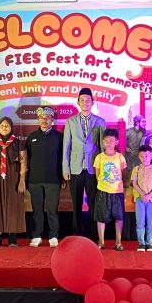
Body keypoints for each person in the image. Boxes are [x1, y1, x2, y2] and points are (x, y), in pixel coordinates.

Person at [62, 87, 106, 238]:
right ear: (78, 102)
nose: (85, 102)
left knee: (93, 203)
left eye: (88, 100)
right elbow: (66, 147)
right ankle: (77, 234)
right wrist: (65, 168)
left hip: (93, 168)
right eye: (82, 100)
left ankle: (93, 235)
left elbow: (102, 147)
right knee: (76, 204)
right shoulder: (70, 122)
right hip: (75, 168)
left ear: (92, 102)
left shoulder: (100, 121)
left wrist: (102, 169)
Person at [0, 117, 27, 247]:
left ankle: (12, 236)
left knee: (13, 204)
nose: (4, 127)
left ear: (11, 127)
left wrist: (22, 181)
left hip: (13, 175)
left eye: (7, 125)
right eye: (2, 125)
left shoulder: (18, 142)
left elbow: (23, 162)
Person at [27, 106, 63, 247]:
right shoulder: (31, 137)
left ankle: (53, 236)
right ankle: (37, 236)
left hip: (53, 180)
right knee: (37, 210)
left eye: (47, 117)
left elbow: (62, 158)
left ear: (52, 120)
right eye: (41, 117)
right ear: (38, 120)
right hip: (34, 180)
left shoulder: (59, 137)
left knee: (52, 210)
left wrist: (62, 177)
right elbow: (28, 159)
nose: (44, 120)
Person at [93, 129, 126, 251]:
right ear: (103, 142)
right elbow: (97, 175)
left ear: (116, 142)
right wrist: (103, 184)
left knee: (119, 217)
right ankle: (101, 242)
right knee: (101, 217)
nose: (109, 143)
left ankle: (118, 242)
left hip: (117, 192)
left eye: (111, 140)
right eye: (106, 141)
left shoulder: (120, 157)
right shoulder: (99, 157)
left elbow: (123, 173)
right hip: (103, 191)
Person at [131, 145, 152, 252]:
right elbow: (134, 183)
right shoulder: (136, 169)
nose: (144, 158)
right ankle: (141, 243)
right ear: (139, 157)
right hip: (140, 199)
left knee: (151, 222)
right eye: (142, 156)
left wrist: (149, 195)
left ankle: (149, 242)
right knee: (140, 222)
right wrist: (143, 195)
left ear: (151, 156)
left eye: (146, 156)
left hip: (151, 199)